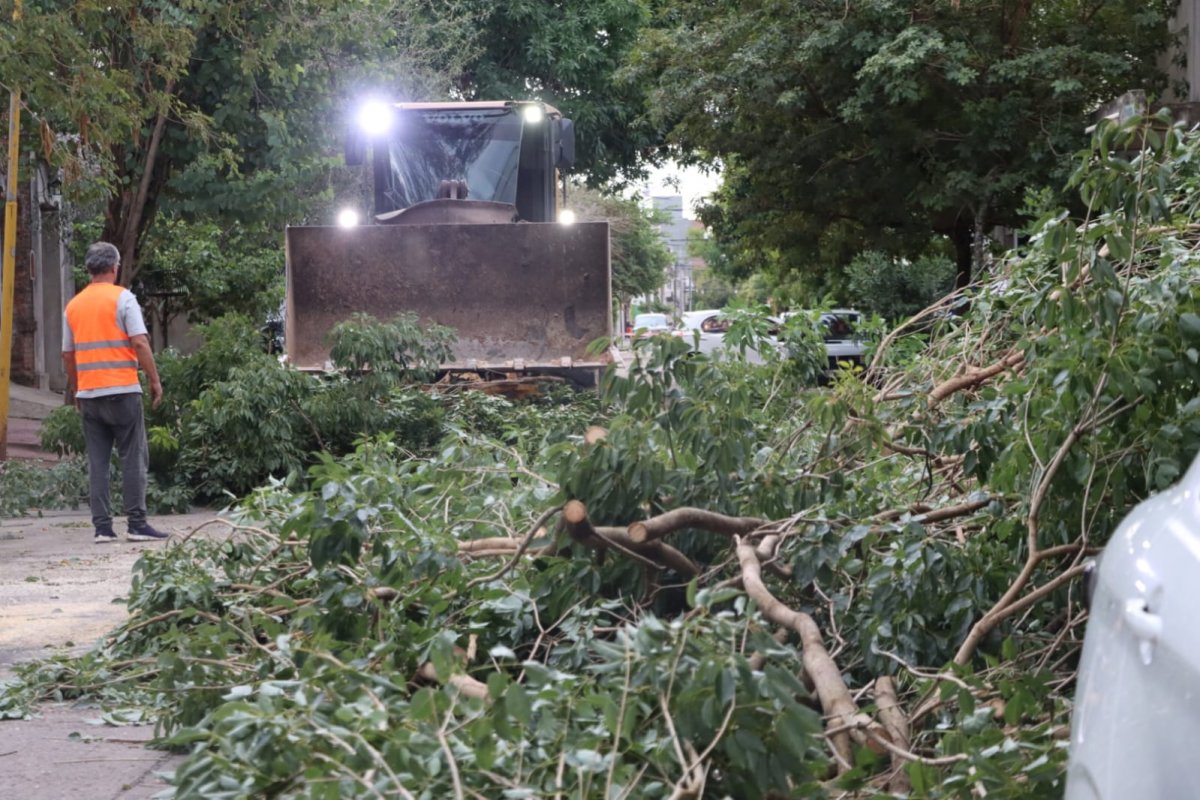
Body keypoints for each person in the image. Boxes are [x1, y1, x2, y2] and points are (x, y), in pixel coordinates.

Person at [62, 242, 168, 544]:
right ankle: (137, 524)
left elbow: (67, 355)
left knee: (98, 462)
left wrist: (78, 389)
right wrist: (154, 380)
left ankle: (102, 529)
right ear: (114, 267)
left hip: (90, 395)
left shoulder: (73, 306)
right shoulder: (123, 299)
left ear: (89, 269)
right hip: (123, 391)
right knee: (133, 457)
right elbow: (140, 342)